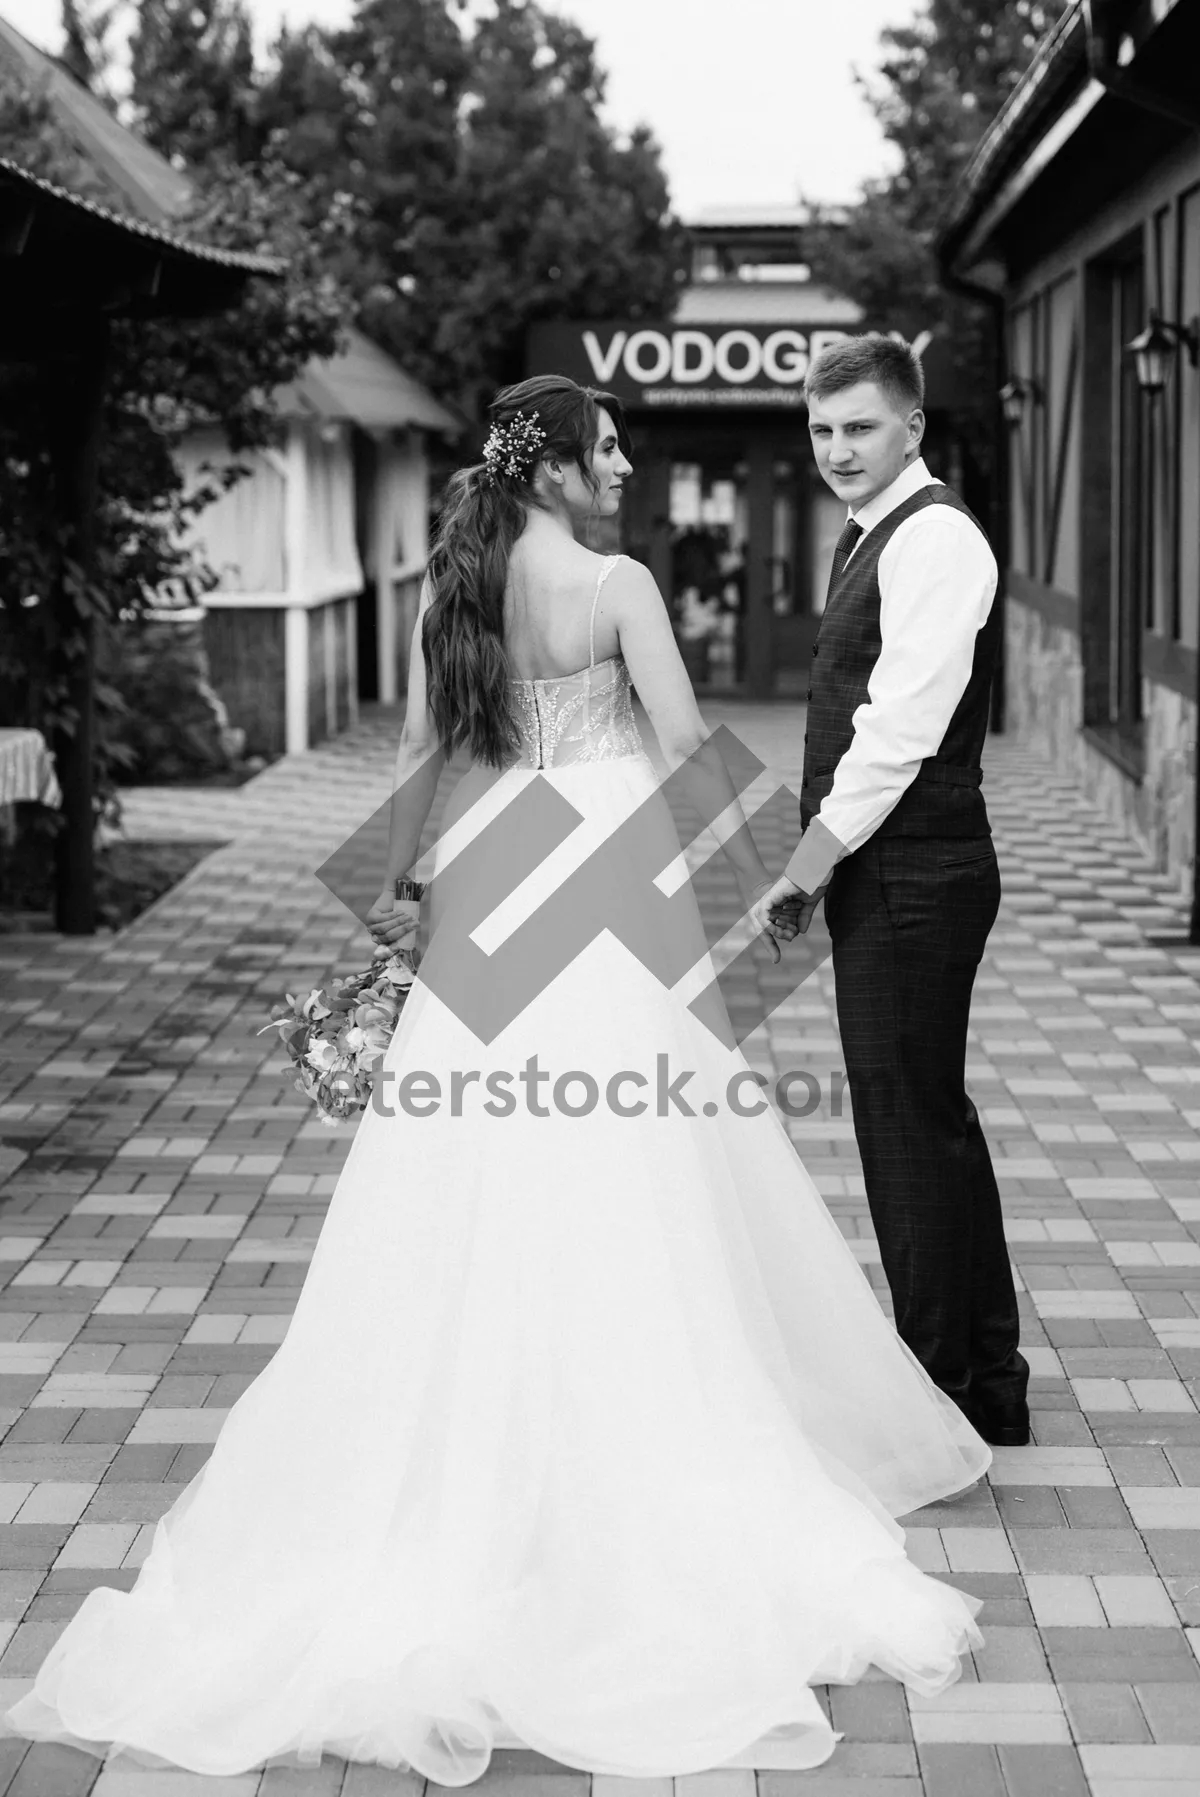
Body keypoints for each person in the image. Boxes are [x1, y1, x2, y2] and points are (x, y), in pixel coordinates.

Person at [3, 374, 990, 1785]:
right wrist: (763, 899)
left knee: (459, 1163)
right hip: (603, 883)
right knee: (632, 1159)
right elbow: (680, 747)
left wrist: (394, 899)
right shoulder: (620, 584)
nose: (628, 463)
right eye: (611, 447)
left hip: (487, 881)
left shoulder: (453, 589)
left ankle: (453, 1454)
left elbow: (420, 755)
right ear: (565, 469)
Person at [752, 334, 1030, 1449]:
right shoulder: (876, 535)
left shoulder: (937, 541)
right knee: (926, 1123)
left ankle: (944, 1393)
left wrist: (810, 860)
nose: (836, 451)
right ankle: (980, 1383)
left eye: (858, 427)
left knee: (908, 1132)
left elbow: (901, 727)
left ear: (911, 426)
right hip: (896, 868)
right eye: (821, 431)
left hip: (918, 870)